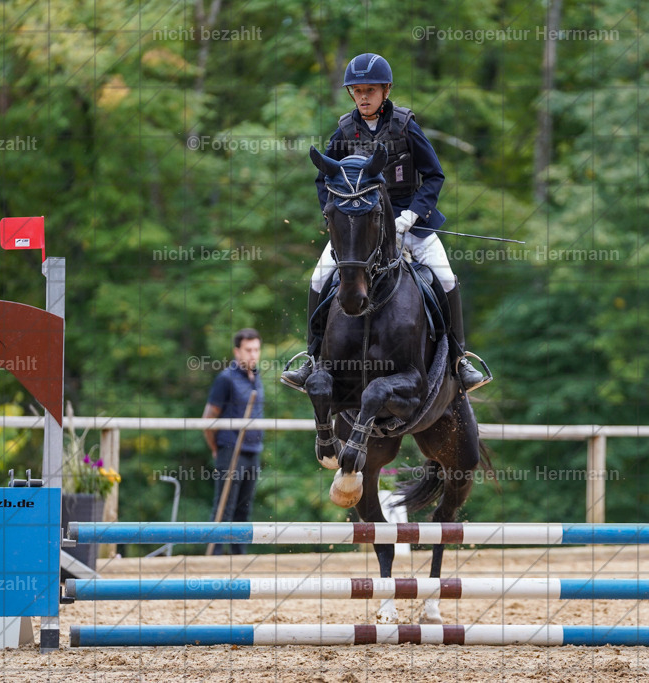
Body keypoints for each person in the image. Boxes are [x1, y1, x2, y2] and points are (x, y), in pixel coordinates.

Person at [281, 52, 489, 392]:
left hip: (409, 220)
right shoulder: (344, 131)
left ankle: (459, 359)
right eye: (357, 91)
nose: (363, 97)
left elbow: (434, 176)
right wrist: (335, 217)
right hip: (360, 227)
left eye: (370, 90)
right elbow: (323, 179)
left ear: (385, 91)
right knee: (318, 278)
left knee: (446, 277)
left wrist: (412, 215)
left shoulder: (406, 126)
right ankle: (312, 358)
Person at [202, 328, 265, 555]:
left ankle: (239, 557)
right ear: (237, 351)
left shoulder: (256, 378)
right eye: (248, 350)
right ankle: (214, 556)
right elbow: (208, 419)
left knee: (244, 509)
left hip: (252, 450)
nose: (253, 354)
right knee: (224, 507)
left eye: (256, 349)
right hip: (230, 449)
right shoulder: (226, 379)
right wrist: (216, 448)